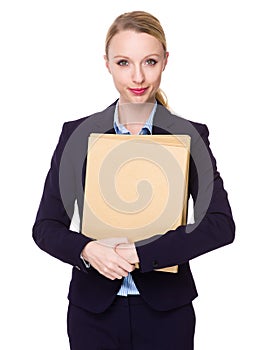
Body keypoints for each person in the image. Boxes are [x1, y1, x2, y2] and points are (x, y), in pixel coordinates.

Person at [33, 10, 235, 350]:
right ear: (107, 63)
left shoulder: (189, 137)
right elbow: (46, 226)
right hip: (92, 313)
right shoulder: (77, 136)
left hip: (166, 314)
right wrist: (87, 249)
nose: (138, 76)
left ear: (165, 61)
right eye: (124, 62)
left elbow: (219, 224)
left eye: (150, 61)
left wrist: (143, 253)